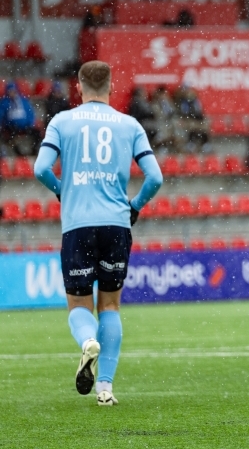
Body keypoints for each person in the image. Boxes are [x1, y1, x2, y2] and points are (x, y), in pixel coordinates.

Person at [33, 61, 163, 405]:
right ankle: (105, 387)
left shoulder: (63, 121)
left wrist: (63, 190)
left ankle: (87, 342)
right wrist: (134, 206)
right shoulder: (129, 124)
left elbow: (40, 168)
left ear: (78, 86)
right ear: (110, 84)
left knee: (79, 303)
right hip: (116, 224)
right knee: (111, 305)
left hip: (78, 223)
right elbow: (155, 178)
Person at [0, 82, 39, 155]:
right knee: (8, 136)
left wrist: (30, 123)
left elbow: (30, 113)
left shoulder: (23, 101)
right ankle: (18, 153)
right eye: (10, 91)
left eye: (13, 91)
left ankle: (33, 152)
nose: (12, 93)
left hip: (25, 126)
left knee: (37, 133)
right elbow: (1, 116)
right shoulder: (4, 103)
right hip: (11, 127)